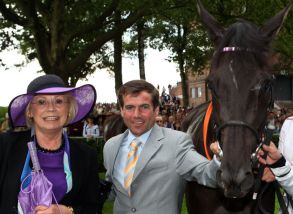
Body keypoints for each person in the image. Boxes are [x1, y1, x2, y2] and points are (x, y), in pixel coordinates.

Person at [103, 80, 220, 214]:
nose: (136, 114)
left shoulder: (177, 142)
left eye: (144, 107)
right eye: (130, 107)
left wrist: (219, 160)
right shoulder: (111, 146)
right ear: (122, 111)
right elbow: (113, 191)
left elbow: (207, 173)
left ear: (156, 110)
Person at [0, 74, 100, 213]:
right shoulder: (5, 145)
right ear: (29, 111)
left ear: (68, 109)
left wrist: (68, 211)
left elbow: (93, 209)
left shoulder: (86, 155)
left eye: (59, 101)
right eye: (41, 102)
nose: (51, 108)